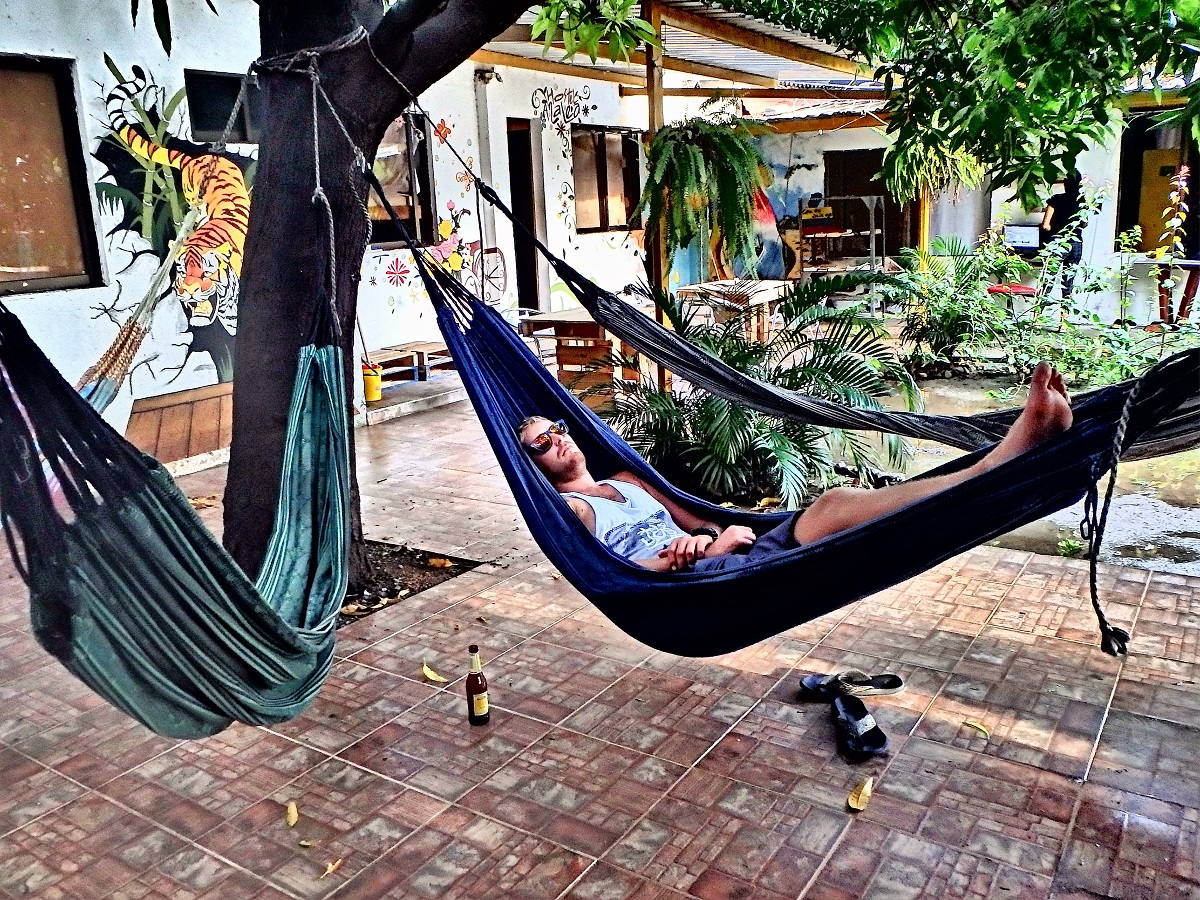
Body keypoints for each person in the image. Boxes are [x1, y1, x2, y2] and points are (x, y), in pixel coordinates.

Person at [517, 363, 1072, 572]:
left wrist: (711, 537)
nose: (558, 441)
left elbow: (700, 522)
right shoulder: (571, 510)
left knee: (841, 503)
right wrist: (684, 560)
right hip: (690, 586)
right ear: (534, 470)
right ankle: (1002, 463)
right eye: (541, 444)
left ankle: (1002, 465)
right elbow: (617, 574)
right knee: (834, 510)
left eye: (559, 428)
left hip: (725, 555)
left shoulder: (628, 480)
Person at [1041, 171, 1085, 299]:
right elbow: (1084, 224)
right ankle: (1063, 318)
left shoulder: (1055, 200)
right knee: (1068, 284)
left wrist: (1052, 231)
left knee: (1048, 281)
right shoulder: (1082, 201)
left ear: (1065, 183)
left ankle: (1037, 316)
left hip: (1058, 243)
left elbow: (1045, 225)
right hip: (1076, 244)